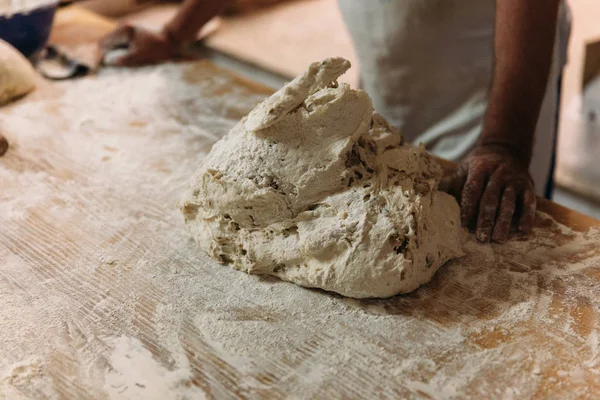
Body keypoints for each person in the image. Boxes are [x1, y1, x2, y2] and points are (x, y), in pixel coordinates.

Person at [99, 0, 571, 244]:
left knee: (486, 230)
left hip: (491, 84)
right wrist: (174, 33)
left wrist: (505, 142)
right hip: (393, 62)